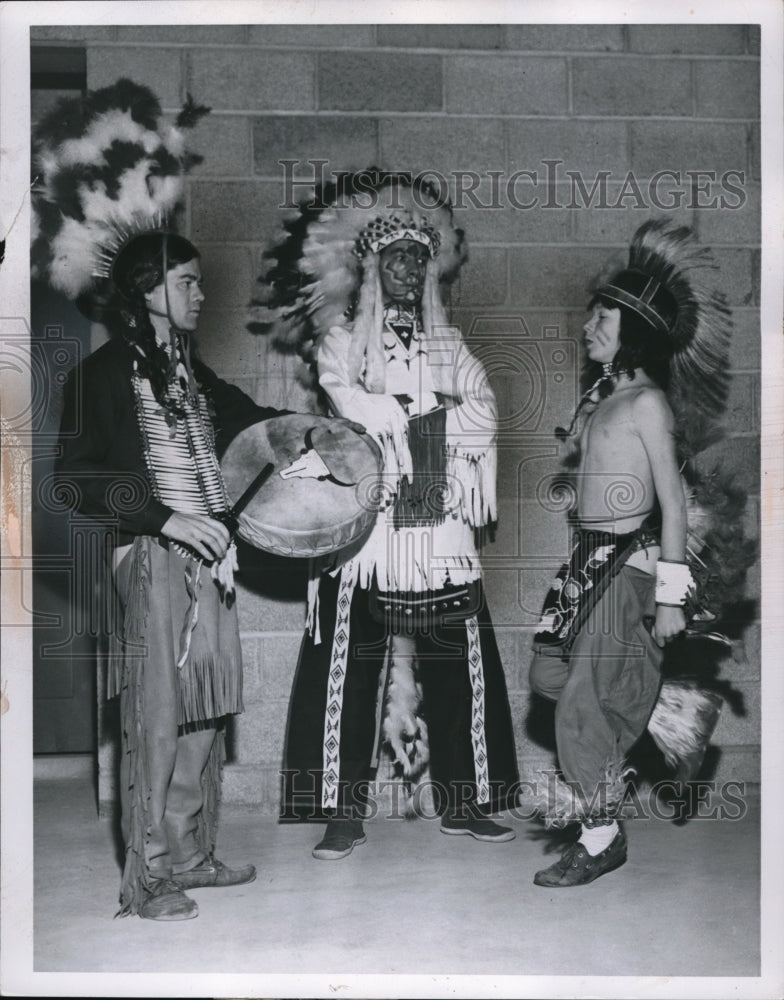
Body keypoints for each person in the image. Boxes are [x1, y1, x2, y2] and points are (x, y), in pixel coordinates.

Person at [261, 173, 519, 859]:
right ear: (371, 269)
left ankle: (466, 803)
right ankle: (343, 812)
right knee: (353, 660)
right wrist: (430, 417)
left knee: (454, 659)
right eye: (394, 257)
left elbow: (485, 413)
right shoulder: (341, 341)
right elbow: (358, 412)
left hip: (438, 524)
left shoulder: (451, 346)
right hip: (371, 525)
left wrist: (413, 422)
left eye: (418, 258)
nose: (407, 268)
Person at [56, 231, 286, 919]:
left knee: (205, 713)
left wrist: (303, 431)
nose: (200, 292)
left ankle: (189, 855)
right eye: (186, 281)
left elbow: (244, 422)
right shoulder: (97, 378)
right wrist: (164, 519)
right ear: (146, 291)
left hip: (210, 565)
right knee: (156, 718)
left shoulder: (189, 371)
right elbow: (74, 481)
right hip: (151, 560)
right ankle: (148, 877)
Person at [528, 220, 731, 887]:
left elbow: (672, 504)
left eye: (603, 315)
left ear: (634, 329)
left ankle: (601, 836)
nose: (589, 323)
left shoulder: (648, 404)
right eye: (591, 311)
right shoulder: (603, 398)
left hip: (630, 564)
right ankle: (664, 712)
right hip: (586, 564)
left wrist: (670, 594)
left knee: (584, 703)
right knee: (551, 681)